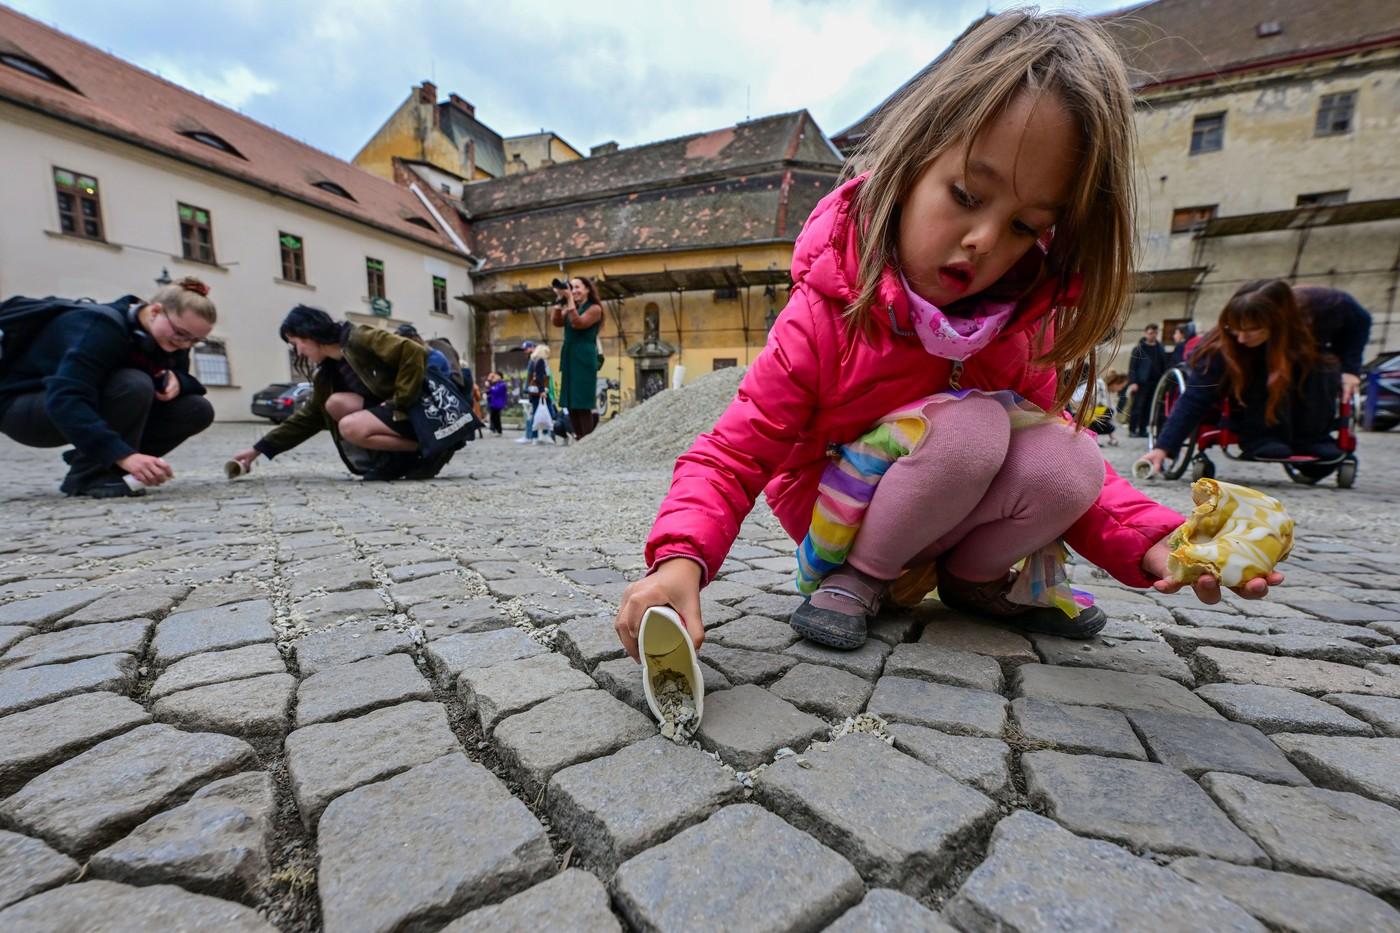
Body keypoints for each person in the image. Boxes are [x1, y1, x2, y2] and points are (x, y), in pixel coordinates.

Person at [613, 10, 1285, 659]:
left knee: (1070, 454)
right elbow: (732, 455)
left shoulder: (1015, 327)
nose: (984, 240)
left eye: (1024, 227)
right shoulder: (824, 316)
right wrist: (680, 560)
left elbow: (1068, 473)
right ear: (910, 164)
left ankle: (975, 580)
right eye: (966, 195)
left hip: (950, 516)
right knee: (972, 426)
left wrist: (1158, 542)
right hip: (840, 525)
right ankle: (859, 578)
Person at [0, 277, 217, 498]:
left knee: (197, 409)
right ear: (155, 311)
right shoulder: (100, 327)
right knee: (133, 383)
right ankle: (91, 475)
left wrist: (180, 380)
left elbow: (183, 382)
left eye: (195, 341)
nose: (184, 344)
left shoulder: (171, 340)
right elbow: (65, 398)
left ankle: (99, 465)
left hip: (84, 406)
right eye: (181, 334)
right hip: (25, 410)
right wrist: (123, 455)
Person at [1139, 279, 1372, 472]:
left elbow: (1361, 320)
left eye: (1251, 331)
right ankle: (1261, 436)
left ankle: (1312, 438)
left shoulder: (1322, 305)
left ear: (1276, 323)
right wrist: (1164, 447)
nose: (1241, 338)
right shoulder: (1223, 346)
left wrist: (1351, 369)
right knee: (1256, 370)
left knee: (1323, 366)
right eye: (1236, 329)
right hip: (1247, 388)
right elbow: (1195, 396)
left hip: (1296, 354)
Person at [229, 305, 452, 480]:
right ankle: (401, 459)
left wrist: (399, 402)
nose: (298, 352)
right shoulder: (328, 372)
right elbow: (309, 418)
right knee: (334, 403)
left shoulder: (359, 337)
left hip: (417, 412)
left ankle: (433, 447)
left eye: (295, 343)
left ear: (308, 335)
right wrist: (259, 449)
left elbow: (412, 351)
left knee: (349, 427)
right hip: (392, 416)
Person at [552, 276, 604, 439]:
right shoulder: (571, 307)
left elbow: (578, 323)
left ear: (587, 289)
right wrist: (560, 300)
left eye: (577, 287)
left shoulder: (595, 309)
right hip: (570, 356)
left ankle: (587, 439)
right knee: (571, 402)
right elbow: (556, 322)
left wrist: (569, 301)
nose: (573, 291)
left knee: (582, 402)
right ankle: (579, 437)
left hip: (584, 356)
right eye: (571, 287)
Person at [1127, 324, 1167, 436]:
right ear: (1145, 333)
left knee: (1148, 408)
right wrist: (1133, 382)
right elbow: (1132, 367)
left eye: (1155, 333)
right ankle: (1132, 430)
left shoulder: (1160, 348)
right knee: (1137, 407)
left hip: (1155, 383)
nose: (1153, 335)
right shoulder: (1139, 349)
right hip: (1141, 383)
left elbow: (1164, 365)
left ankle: (1142, 429)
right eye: (1150, 333)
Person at [518, 342, 552, 444]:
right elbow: (539, 378)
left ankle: (536, 437)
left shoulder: (534, 361)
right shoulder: (540, 361)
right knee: (547, 412)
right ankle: (542, 435)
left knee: (535, 414)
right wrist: (542, 391)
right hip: (539, 392)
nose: (548, 355)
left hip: (534, 392)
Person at [485, 371, 508, 436]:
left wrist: (489, 387)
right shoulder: (497, 384)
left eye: (496, 376)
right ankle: (497, 430)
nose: (494, 377)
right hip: (494, 403)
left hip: (498, 403)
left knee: (496, 418)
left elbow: (496, 391)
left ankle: (499, 431)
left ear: (500, 376)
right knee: (494, 417)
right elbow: (490, 391)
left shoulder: (502, 384)